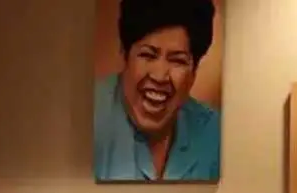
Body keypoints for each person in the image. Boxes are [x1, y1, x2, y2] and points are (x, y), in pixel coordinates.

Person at [94, 0, 221, 182]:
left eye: (177, 60)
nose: (160, 76)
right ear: (124, 54)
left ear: (194, 72)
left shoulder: (215, 133)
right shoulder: (86, 120)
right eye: (147, 55)